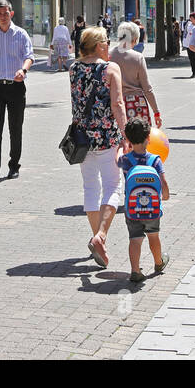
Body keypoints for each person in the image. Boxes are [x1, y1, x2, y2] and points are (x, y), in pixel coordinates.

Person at [69, 26, 125, 269]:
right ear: (99, 45)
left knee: (90, 186)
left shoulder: (73, 69)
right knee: (114, 185)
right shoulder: (111, 69)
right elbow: (118, 104)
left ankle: (98, 242)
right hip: (106, 137)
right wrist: (126, 134)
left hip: (82, 138)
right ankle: (100, 235)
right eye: (107, 42)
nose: (109, 46)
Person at [0, 0, 34, 182]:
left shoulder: (21, 34)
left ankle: (14, 165)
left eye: (5, 13)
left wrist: (23, 70)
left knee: (15, 127)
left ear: (11, 13)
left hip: (15, 87)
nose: (2, 16)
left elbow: (29, 56)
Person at [119, 117, 171, 283]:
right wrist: (166, 195)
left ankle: (135, 270)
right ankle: (158, 262)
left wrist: (120, 149)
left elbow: (116, 161)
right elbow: (163, 181)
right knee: (153, 236)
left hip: (132, 209)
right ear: (149, 138)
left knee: (135, 239)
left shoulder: (126, 160)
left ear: (128, 139)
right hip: (152, 209)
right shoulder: (155, 160)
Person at [112, 22, 161, 131]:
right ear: (134, 39)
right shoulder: (138, 57)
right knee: (139, 138)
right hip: (137, 103)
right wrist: (156, 111)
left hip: (116, 101)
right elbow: (147, 88)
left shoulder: (109, 56)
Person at [181, 11, 195, 78]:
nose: (190, 19)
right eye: (190, 18)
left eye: (192, 18)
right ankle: (194, 72)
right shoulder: (189, 25)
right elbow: (186, 34)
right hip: (189, 45)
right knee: (192, 59)